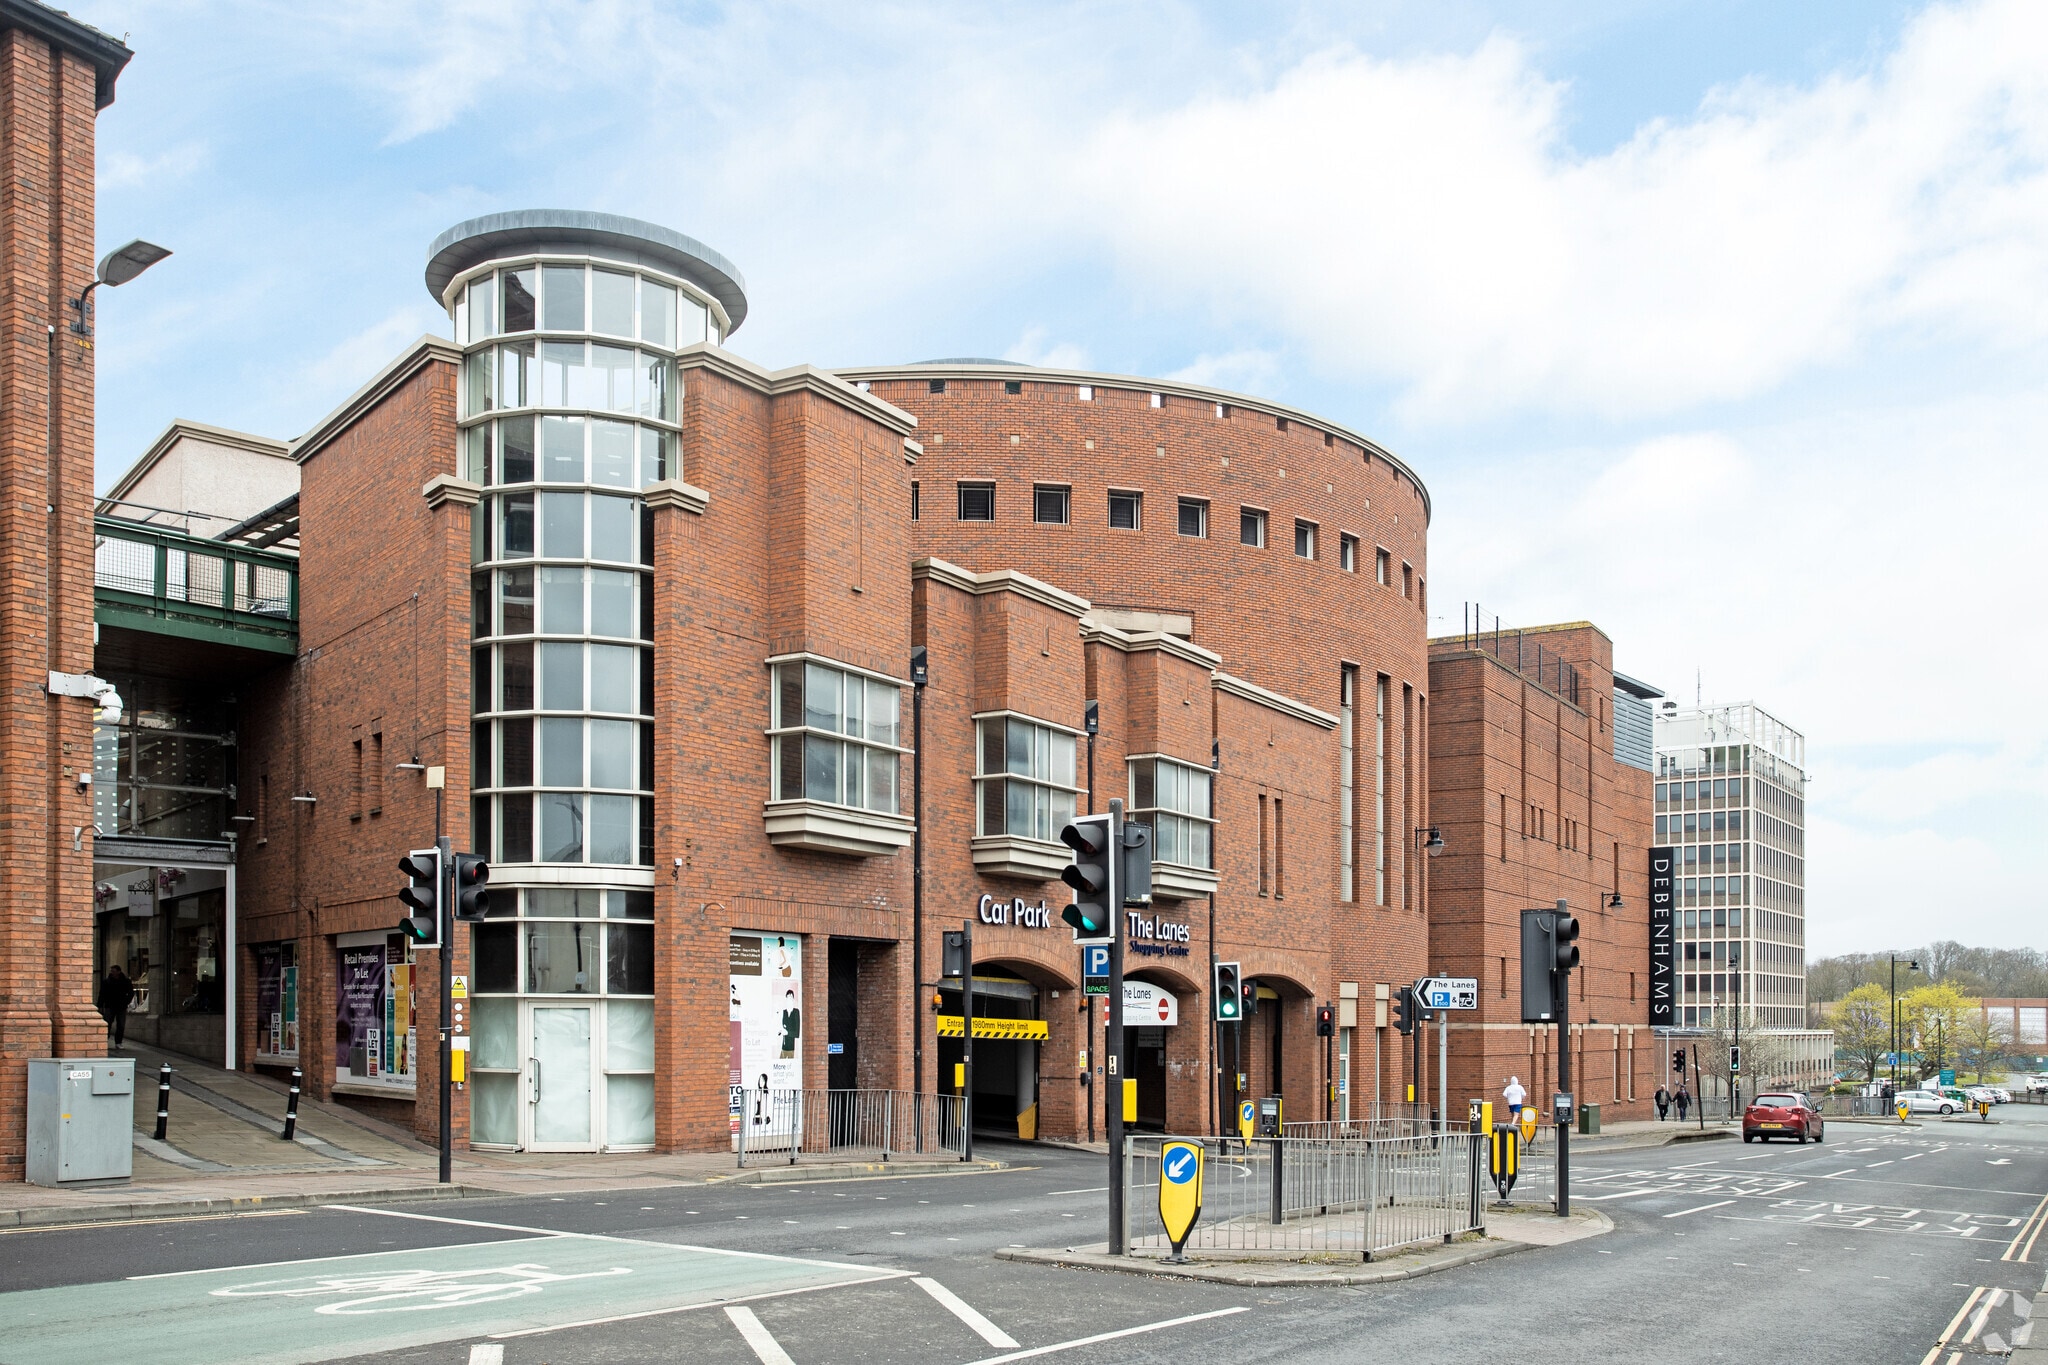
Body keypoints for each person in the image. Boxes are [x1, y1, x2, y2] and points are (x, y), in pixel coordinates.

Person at [97, 964, 135, 1048]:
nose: (112, 973)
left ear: (118, 971)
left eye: (114, 971)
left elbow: (131, 993)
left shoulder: (125, 981)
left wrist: (126, 1002)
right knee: (107, 1023)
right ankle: (104, 1040)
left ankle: (118, 1042)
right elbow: (102, 994)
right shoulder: (107, 981)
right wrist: (100, 1005)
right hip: (110, 1005)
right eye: (111, 971)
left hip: (121, 1006)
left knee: (121, 1024)